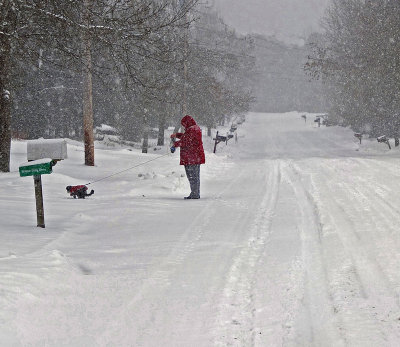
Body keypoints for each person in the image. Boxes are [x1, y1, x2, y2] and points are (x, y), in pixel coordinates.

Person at [170, 115, 205, 199]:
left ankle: (195, 194)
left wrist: (175, 145)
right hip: (192, 157)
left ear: (187, 122)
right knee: (193, 176)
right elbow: (186, 137)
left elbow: (186, 141)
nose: (183, 126)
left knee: (193, 176)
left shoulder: (193, 129)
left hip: (193, 158)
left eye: (184, 124)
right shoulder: (192, 129)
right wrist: (177, 135)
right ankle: (195, 193)